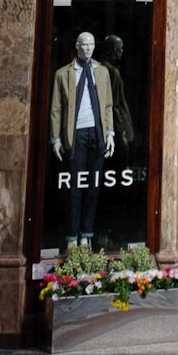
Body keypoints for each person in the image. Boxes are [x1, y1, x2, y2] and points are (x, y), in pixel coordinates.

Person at [50, 31, 115, 248]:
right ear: (76, 46)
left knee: (94, 185)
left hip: (96, 133)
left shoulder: (103, 72)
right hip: (75, 133)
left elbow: (107, 106)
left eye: (90, 45)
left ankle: (87, 233)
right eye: (83, 45)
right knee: (75, 186)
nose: (87, 49)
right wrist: (56, 139)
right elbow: (56, 109)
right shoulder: (63, 74)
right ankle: (71, 235)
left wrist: (110, 133)